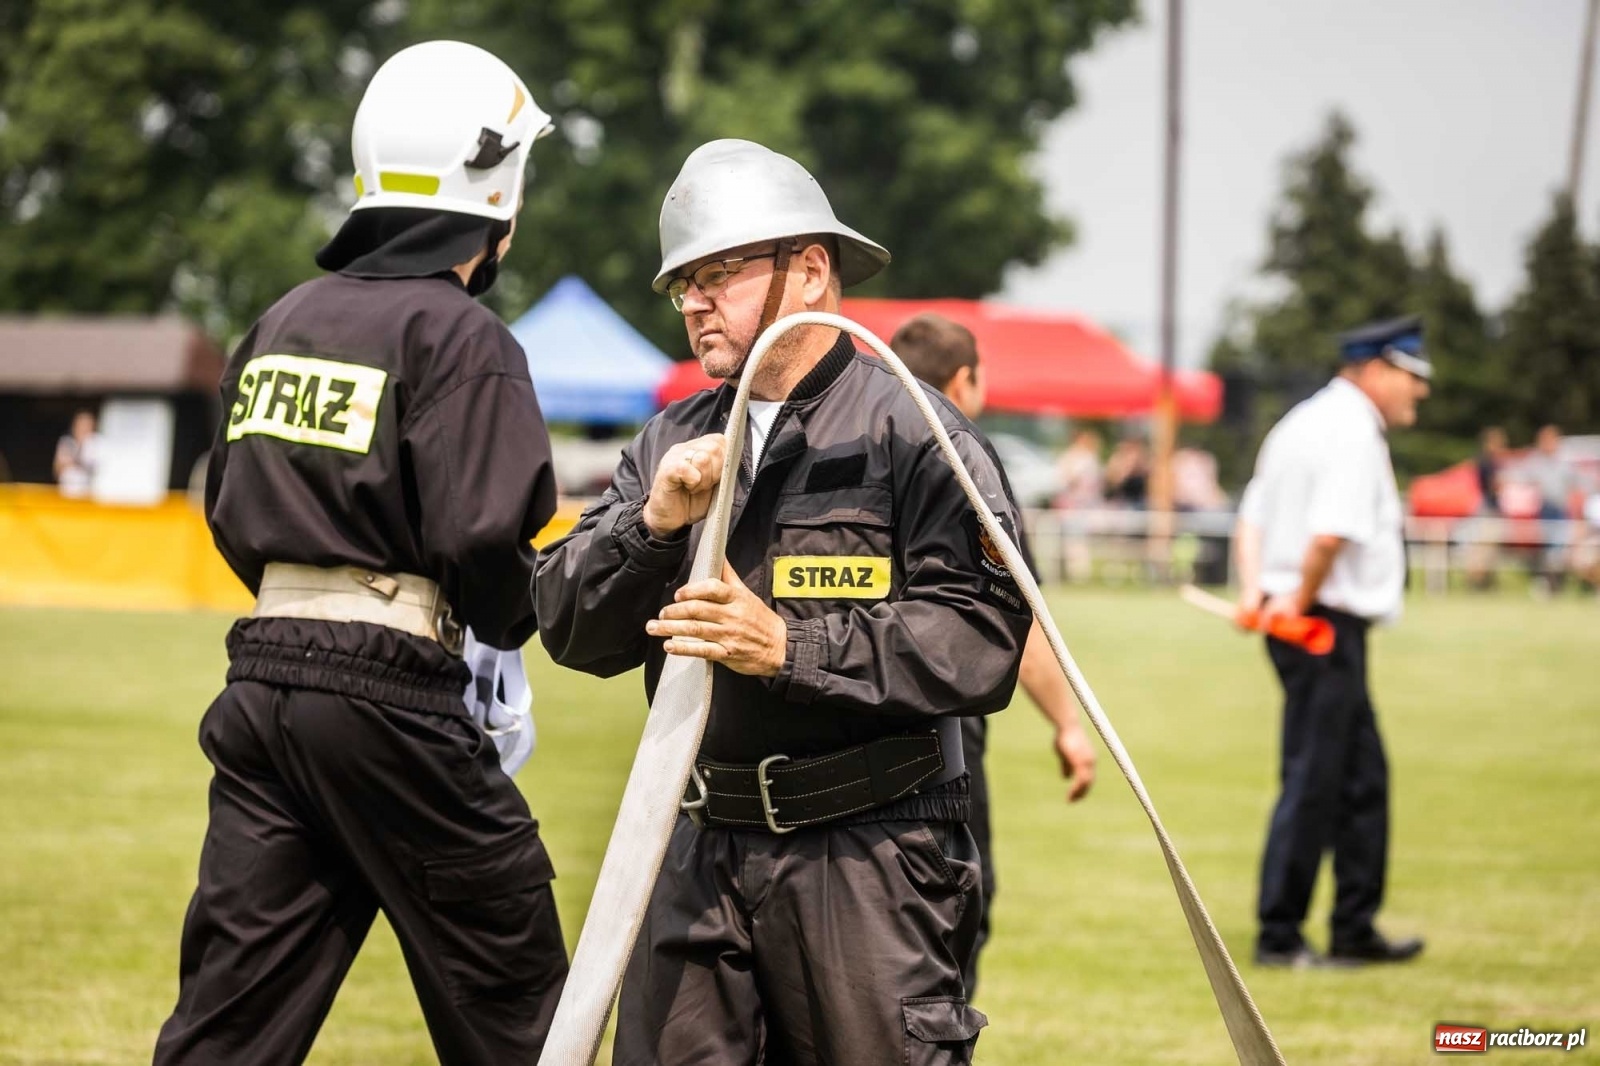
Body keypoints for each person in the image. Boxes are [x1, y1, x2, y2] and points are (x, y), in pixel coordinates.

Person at [536, 139, 1031, 1065]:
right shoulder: (668, 440)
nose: (691, 300)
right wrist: (649, 525)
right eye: (682, 280)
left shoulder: (914, 432)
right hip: (694, 848)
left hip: (871, 859)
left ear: (808, 271)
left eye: (718, 273)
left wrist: (791, 647)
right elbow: (567, 623)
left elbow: (981, 635)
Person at [155, 42, 568, 1065]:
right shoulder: (464, 338)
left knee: (230, 1020)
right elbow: (481, 534)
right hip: (389, 695)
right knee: (518, 992)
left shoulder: (278, 323)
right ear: (497, 184)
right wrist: (511, 618)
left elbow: (227, 508)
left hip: (261, 684)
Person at [888, 311, 1097, 994]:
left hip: (834, 733)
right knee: (953, 916)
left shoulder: (851, 440)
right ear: (964, 379)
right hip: (939, 736)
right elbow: (1013, 620)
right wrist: (1068, 723)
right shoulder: (960, 450)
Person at [1232, 314, 1430, 969]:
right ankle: (1279, 934)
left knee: (1359, 777)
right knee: (1316, 778)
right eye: (1411, 376)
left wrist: (1257, 591)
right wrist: (1296, 596)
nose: (1418, 392)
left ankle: (1353, 927)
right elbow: (1329, 534)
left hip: (1304, 620)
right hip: (1322, 625)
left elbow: (1252, 518)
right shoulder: (1351, 432)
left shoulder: (1300, 423)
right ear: (1377, 368)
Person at [53, 408, 100, 498]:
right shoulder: (66, 441)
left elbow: (96, 469)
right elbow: (57, 469)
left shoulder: (97, 443)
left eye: (86, 425)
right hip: (66, 493)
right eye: (80, 424)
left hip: (89, 495)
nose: (83, 428)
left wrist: (75, 460)